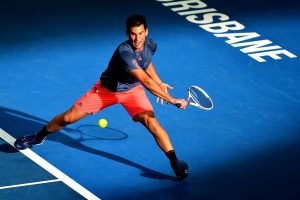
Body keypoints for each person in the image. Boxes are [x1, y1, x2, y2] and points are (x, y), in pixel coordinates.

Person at [14, 15, 189, 181]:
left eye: (140, 33)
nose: (137, 39)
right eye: (133, 34)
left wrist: (159, 83)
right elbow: (144, 80)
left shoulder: (151, 45)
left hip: (133, 91)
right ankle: (39, 136)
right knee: (68, 118)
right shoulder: (124, 52)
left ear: (147, 32)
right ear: (127, 34)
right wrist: (172, 99)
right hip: (107, 91)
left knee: (152, 123)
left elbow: (146, 63)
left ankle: (175, 163)